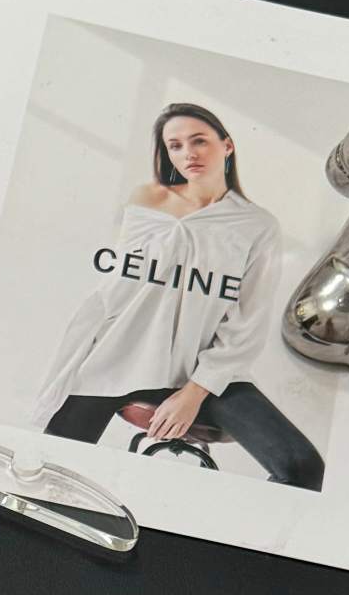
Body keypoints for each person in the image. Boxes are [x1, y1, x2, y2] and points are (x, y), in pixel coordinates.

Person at [30, 100, 324, 490]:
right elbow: (118, 292)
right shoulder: (145, 201)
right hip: (119, 358)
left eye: (199, 140)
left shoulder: (258, 226)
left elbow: (246, 323)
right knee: (52, 468)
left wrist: (193, 394)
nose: (189, 153)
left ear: (227, 145)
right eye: (176, 145)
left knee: (302, 466)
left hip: (203, 371)